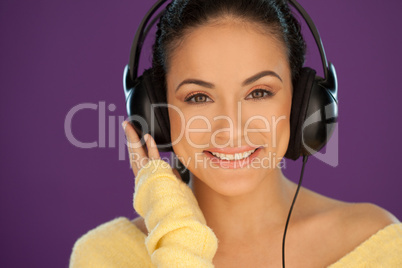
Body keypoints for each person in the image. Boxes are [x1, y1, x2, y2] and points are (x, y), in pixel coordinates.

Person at [69, 0, 402, 267]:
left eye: (258, 92)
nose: (230, 128)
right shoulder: (105, 257)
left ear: (304, 101)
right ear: (155, 112)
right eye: (198, 97)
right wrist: (175, 233)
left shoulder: (378, 244)